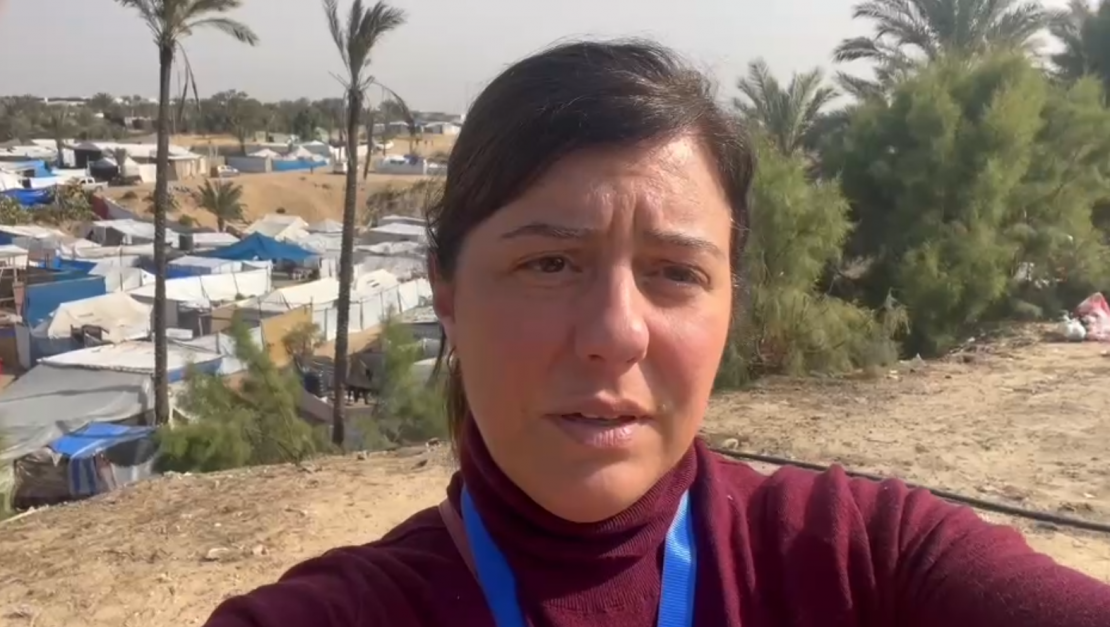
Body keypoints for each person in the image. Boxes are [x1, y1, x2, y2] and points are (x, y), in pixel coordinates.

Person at [203, 40, 1110, 627]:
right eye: (549, 264)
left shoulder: (859, 563)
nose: (614, 335)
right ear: (445, 288)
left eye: (675, 273)